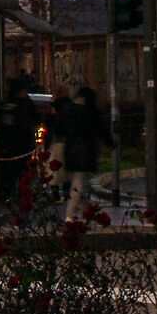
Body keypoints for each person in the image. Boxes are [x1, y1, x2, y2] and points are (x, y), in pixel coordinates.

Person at [56, 85, 110, 216]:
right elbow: (101, 128)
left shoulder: (68, 109)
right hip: (85, 150)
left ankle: (86, 211)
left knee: (77, 179)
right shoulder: (90, 111)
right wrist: (110, 142)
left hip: (70, 148)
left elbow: (58, 129)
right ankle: (70, 214)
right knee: (78, 181)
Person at [0, 81, 40, 212]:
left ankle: (5, 196)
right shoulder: (26, 104)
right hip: (22, 145)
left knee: (7, 173)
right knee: (22, 173)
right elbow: (35, 119)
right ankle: (21, 197)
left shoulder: (5, 103)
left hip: (5, 145)